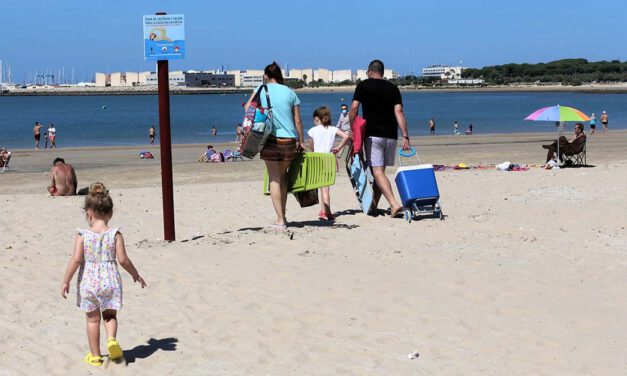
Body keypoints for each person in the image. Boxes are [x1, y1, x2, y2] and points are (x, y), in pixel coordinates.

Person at [60, 183, 146, 367]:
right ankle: (111, 340)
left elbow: (75, 260)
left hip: (88, 282)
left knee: (92, 320)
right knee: (109, 315)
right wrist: (136, 275)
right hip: (110, 280)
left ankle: (96, 356)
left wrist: (66, 281)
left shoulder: (82, 235)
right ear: (110, 213)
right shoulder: (115, 234)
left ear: (88, 213)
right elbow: (123, 260)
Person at [243, 61, 304, 230]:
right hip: (289, 140)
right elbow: (298, 120)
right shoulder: (291, 93)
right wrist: (301, 141)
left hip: (269, 139)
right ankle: (283, 215)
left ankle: (280, 220)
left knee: (274, 178)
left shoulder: (261, 90)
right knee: (282, 176)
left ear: (265, 76)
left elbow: (248, 108)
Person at [349, 59, 410, 218]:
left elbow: (354, 108)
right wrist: (405, 136)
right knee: (380, 172)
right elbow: (399, 112)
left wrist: (352, 128)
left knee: (377, 171)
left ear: (370, 71)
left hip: (373, 135)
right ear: (382, 73)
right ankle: (374, 205)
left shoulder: (363, 85)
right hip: (391, 135)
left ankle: (394, 204)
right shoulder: (393, 88)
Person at [307, 106, 350, 220]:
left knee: (323, 188)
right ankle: (324, 210)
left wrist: (313, 151)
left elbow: (311, 146)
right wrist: (338, 148)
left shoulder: (312, 130)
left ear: (316, 119)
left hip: (318, 160)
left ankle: (327, 211)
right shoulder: (332, 129)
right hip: (330, 160)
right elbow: (346, 136)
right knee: (326, 187)